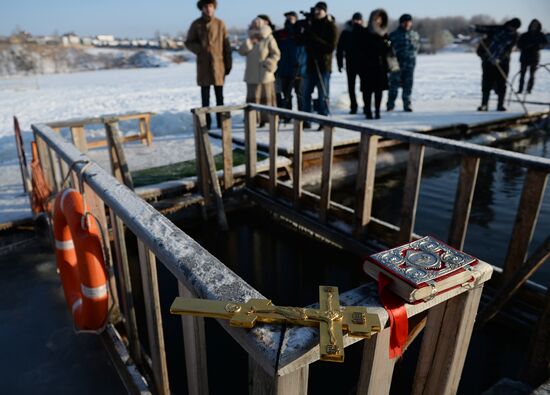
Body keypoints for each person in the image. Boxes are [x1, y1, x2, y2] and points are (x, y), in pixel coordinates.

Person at [185, 0, 232, 129]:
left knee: (219, 97)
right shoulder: (196, 24)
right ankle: (207, 124)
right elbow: (188, 42)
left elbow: (226, 46)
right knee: (205, 98)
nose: (208, 9)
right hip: (203, 66)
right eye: (206, 7)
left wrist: (228, 63)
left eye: (211, 6)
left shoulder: (220, 24)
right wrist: (200, 49)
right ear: (202, 9)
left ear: (214, 8)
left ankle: (221, 123)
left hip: (218, 65)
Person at [300, 2, 338, 129]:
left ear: (325, 11)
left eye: (320, 10)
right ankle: (307, 119)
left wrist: (314, 37)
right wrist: (304, 30)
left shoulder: (331, 26)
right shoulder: (311, 24)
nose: (317, 12)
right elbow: (301, 41)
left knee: (323, 95)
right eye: (316, 10)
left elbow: (330, 47)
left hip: (323, 65)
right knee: (305, 93)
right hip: (310, 64)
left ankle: (324, 120)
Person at [239, 17, 281, 126]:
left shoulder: (268, 37)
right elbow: (241, 52)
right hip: (251, 74)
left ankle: (267, 119)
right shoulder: (249, 37)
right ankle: (253, 119)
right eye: (253, 23)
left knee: (266, 97)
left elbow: (276, 54)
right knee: (253, 98)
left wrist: (269, 63)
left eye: (257, 23)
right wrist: (250, 42)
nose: (255, 25)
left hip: (265, 73)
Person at [475, 18, 521, 111]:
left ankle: (500, 105)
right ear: (508, 24)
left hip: (502, 63)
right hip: (488, 61)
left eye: (515, 28)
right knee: (486, 83)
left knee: (501, 83)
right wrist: (476, 28)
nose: (512, 29)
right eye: (511, 26)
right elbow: (486, 28)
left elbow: (508, 49)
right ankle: (484, 105)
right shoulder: (498, 29)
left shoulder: (514, 36)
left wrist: (500, 58)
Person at [274, 12, 307, 117]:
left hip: (299, 69)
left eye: (291, 18)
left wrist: (301, 63)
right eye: (287, 18)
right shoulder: (280, 34)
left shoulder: (300, 34)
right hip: (284, 69)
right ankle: (288, 115)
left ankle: (303, 116)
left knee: (300, 94)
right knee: (286, 93)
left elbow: (304, 51)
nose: (289, 20)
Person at [360, 9, 391, 120]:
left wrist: (386, 44)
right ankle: (368, 110)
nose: (379, 20)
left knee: (379, 91)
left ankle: (377, 111)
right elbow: (361, 49)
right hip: (367, 66)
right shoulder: (365, 32)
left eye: (381, 18)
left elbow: (388, 51)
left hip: (380, 67)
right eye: (377, 18)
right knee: (367, 91)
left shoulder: (384, 34)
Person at [387, 14, 420, 112]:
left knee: (408, 86)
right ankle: (390, 105)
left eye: (409, 22)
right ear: (401, 23)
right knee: (393, 85)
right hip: (396, 65)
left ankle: (407, 104)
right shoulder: (393, 35)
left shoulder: (415, 35)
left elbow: (417, 47)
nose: (407, 24)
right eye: (405, 22)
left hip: (409, 65)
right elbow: (387, 48)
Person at [337, 12, 364, 114]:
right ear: (352, 20)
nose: (356, 21)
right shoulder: (346, 33)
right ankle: (353, 106)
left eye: (358, 20)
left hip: (363, 64)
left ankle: (366, 106)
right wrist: (340, 63)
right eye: (355, 19)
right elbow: (340, 49)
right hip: (350, 63)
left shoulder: (364, 32)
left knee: (364, 87)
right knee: (351, 87)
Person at [517, 19, 548, 94]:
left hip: (534, 57)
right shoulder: (525, 35)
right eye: (533, 24)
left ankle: (529, 89)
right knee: (522, 74)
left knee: (532, 75)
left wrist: (538, 46)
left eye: (536, 25)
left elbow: (544, 43)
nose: (534, 26)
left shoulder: (540, 35)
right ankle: (520, 89)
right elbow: (519, 44)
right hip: (524, 56)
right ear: (530, 25)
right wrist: (526, 46)